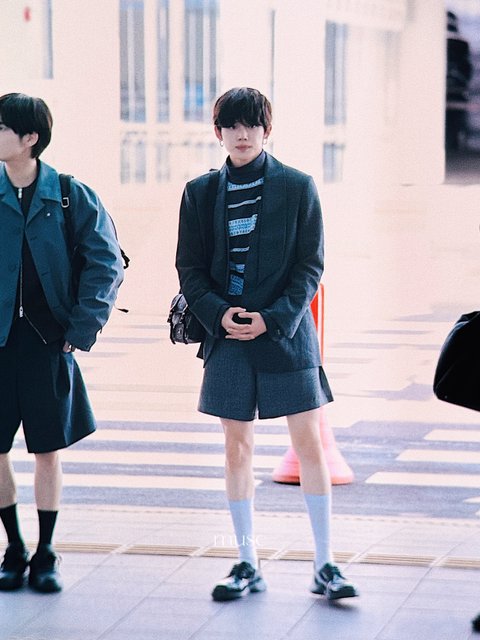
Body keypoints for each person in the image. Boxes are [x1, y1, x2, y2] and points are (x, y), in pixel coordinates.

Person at [176, 87, 359, 602]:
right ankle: (247, 562)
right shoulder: (200, 192)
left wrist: (272, 319)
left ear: (266, 129)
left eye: (251, 125)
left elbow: (310, 266)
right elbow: (189, 267)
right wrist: (220, 314)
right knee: (237, 448)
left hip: (286, 335)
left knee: (309, 444)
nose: (242, 134)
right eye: (232, 126)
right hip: (228, 336)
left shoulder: (297, 187)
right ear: (218, 133)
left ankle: (325, 565)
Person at [0, 93, 124, 593]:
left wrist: (80, 330)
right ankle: (14, 548)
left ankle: (46, 551)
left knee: (48, 450)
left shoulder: (70, 195)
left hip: (47, 342)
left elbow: (105, 263)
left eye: (2, 127)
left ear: (30, 138)